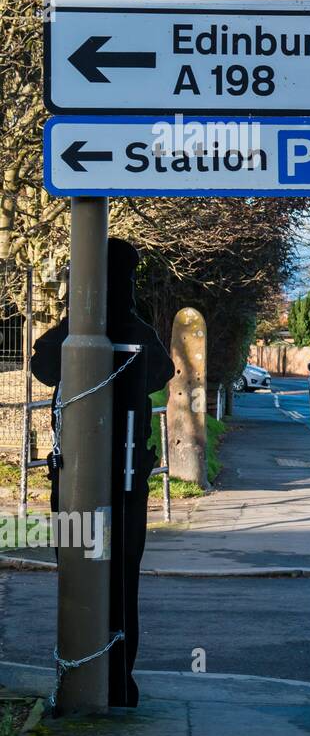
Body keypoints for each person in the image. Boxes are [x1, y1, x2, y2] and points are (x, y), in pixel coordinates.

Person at [31, 238, 175, 708]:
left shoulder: (77, 333)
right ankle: (117, 680)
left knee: (78, 575)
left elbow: (43, 365)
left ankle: (84, 674)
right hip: (124, 479)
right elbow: (161, 372)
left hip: (85, 482)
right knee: (118, 582)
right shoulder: (128, 332)